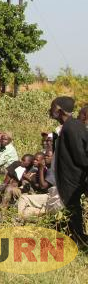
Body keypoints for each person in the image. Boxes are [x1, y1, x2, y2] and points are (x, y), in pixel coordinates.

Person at [49, 96, 88, 247]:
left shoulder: (72, 127)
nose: (51, 110)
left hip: (73, 179)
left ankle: (78, 240)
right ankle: (75, 239)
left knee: (73, 209)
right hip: (67, 178)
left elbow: (81, 156)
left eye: (52, 107)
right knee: (70, 210)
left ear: (59, 110)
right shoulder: (68, 127)